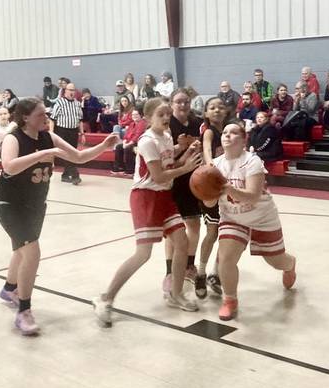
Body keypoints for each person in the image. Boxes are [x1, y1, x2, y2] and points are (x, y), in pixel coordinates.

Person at [0, 98, 119, 335]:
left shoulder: (49, 137)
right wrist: (44, 153)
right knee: (31, 251)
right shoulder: (14, 138)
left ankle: (9, 289)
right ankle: (23, 311)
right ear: (25, 117)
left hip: (35, 204)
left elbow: (79, 157)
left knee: (21, 250)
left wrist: (103, 145)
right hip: (11, 204)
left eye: (46, 113)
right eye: (41, 114)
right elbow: (9, 166)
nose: (46, 118)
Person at [93, 98, 202, 327]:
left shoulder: (167, 136)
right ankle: (105, 298)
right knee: (143, 254)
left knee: (182, 243)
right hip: (145, 197)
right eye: (161, 114)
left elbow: (170, 166)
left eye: (167, 113)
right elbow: (159, 176)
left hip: (164, 197)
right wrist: (186, 167)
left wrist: (185, 151)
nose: (166, 117)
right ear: (148, 118)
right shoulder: (146, 141)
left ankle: (176, 293)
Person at [203, 120, 297, 321]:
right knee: (226, 259)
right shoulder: (215, 165)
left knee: (276, 261)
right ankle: (230, 300)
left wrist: (228, 189)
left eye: (233, 133)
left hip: (262, 216)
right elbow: (209, 203)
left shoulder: (252, 161)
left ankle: (290, 264)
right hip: (232, 217)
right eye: (225, 132)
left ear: (244, 139)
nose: (227, 135)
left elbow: (253, 196)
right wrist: (206, 191)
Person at [168, 88, 207, 298]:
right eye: (179, 101)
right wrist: (181, 149)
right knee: (172, 228)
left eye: (186, 101)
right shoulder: (167, 124)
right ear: (171, 103)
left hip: (193, 179)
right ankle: (169, 271)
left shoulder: (197, 123)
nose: (183, 105)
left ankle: (189, 266)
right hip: (173, 178)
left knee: (194, 224)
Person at [199, 96, 229, 295]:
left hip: (227, 185)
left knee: (226, 234)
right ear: (206, 113)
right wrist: (212, 166)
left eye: (220, 107)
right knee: (212, 233)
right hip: (211, 184)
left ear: (225, 111)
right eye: (212, 107)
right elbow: (207, 151)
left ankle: (215, 273)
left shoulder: (228, 131)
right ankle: (201, 273)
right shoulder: (209, 131)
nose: (217, 110)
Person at [50, 82, 84, 185]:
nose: (72, 92)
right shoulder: (60, 103)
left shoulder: (77, 103)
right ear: (65, 91)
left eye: (73, 90)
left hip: (73, 131)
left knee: (73, 153)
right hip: (62, 131)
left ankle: (65, 175)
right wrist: (51, 133)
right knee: (66, 153)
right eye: (70, 90)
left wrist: (82, 134)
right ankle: (75, 175)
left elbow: (80, 120)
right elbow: (52, 119)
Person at [112, 107, 146, 176]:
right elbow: (126, 135)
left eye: (136, 114)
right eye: (133, 115)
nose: (134, 116)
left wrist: (128, 144)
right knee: (119, 147)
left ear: (141, 115)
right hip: (129, 142)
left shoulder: (142, 124)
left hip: (138, 143)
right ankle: (119, 168)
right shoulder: (132, 124)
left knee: (128, 148)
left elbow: (137, 136)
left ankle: (130, 170)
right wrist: (124, 142)